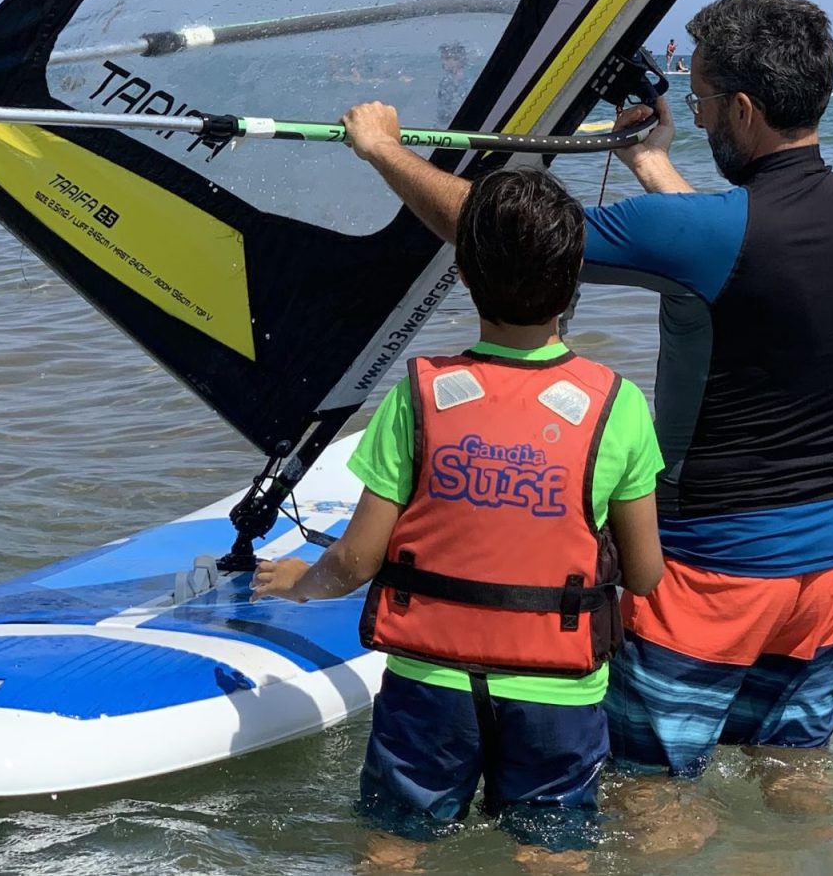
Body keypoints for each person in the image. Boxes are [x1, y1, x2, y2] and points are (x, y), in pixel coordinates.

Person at [340, 0, 833, 828]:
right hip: (820, 570)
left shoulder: (713, 235)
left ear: (744, 108)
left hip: (710, 572)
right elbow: (721, 240)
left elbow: (508, 234)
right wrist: (650, 159)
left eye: (706, 99)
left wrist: (382, 150)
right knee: (792, 779)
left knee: (650, 794)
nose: (700, 113)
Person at [252, 168, 664, 868]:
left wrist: (299, 581)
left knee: (394, 843)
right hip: (557, 692)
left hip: (430, 685)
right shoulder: (618, 405)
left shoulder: (418, 397)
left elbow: (355, 561)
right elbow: (647, 574)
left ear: (465, 277)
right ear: (574, 282)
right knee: (553, 853)